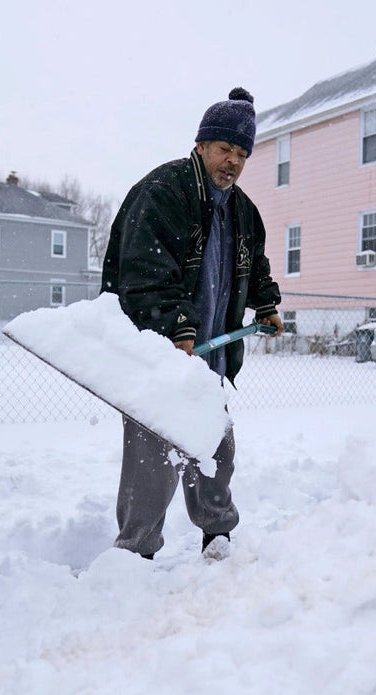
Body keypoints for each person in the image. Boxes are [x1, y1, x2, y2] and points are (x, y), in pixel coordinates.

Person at [100, 87, 283, 560]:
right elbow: (143, 273)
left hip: (209, 358)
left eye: (242, 154)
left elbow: (254, 265)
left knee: (216, 452)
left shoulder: (243, 211)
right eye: (225, 148)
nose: (233, 161)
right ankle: (136, 552)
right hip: (159, 356)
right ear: (201, 145)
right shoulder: (165, 193)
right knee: (152, 462)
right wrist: (177, 326)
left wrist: (265, 303)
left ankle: (217, 535)